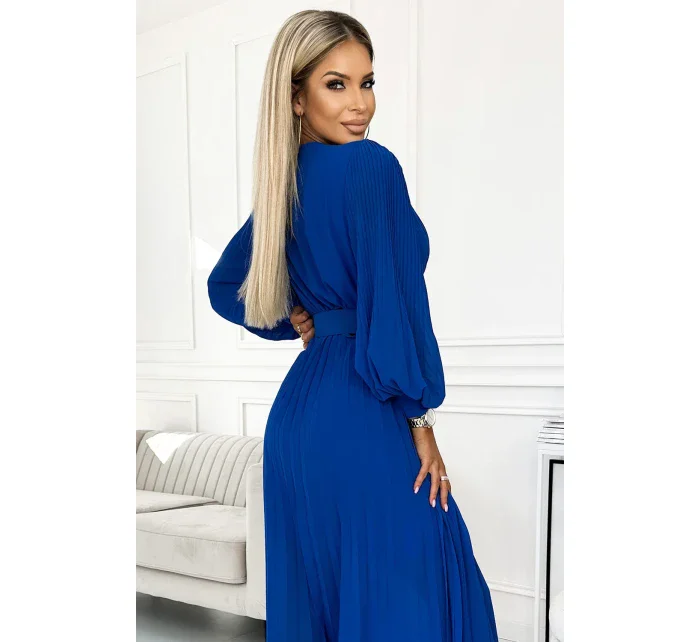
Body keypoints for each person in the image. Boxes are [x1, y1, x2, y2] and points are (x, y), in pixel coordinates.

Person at [207, 9, 498, 642]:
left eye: (366, 82)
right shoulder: (370, 166)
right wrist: (420, 420)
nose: (359, 103)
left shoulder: (283, 189)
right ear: (296, 97)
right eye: (335, 84)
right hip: (364, 409)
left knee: (324, 603)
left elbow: (225, 287)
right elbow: (396, 311)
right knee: (411, 595)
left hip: (298, 423)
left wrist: (298, 319)